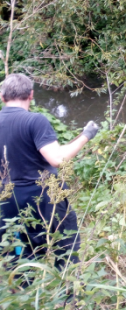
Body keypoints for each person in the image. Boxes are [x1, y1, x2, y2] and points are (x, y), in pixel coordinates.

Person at [0, 73, 100, 269]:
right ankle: (68, 294)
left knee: (17, 254)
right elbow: (56, 159)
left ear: (2, 97)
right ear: (31, 95)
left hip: (6, 200)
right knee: (66, 245)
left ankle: (23, 294)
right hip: (44, 198)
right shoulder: (35, 121)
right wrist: (86, 135)